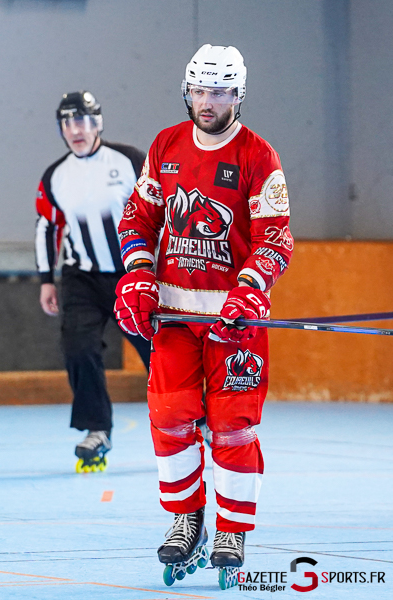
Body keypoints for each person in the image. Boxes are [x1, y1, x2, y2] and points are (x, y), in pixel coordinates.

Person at [113, 44, 293, 588]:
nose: (206, 101)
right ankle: (184, 520)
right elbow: (137, 216)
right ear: (186, 89)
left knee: (233, 427)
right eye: (198, 90)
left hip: (234, 320)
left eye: (218, 92)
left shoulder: (259, 157)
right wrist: (139, 274)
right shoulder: (165, 145)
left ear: (239, 94)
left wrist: (250, 291)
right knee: (170, 416)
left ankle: (232, 529)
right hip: (171, 316)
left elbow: (275, 239)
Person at [35, 91, 151, 473]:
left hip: (133, 274)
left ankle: (191, 420)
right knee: (78, 347)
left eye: (82, 120)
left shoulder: (129, 159)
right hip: (81, 276)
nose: (76, 129)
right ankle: (97, 428)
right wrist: (45, 280)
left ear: (98, 122)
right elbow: (47, 227)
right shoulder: (56, 175)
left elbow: (162, 210)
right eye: (67, 122)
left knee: (160, 353)